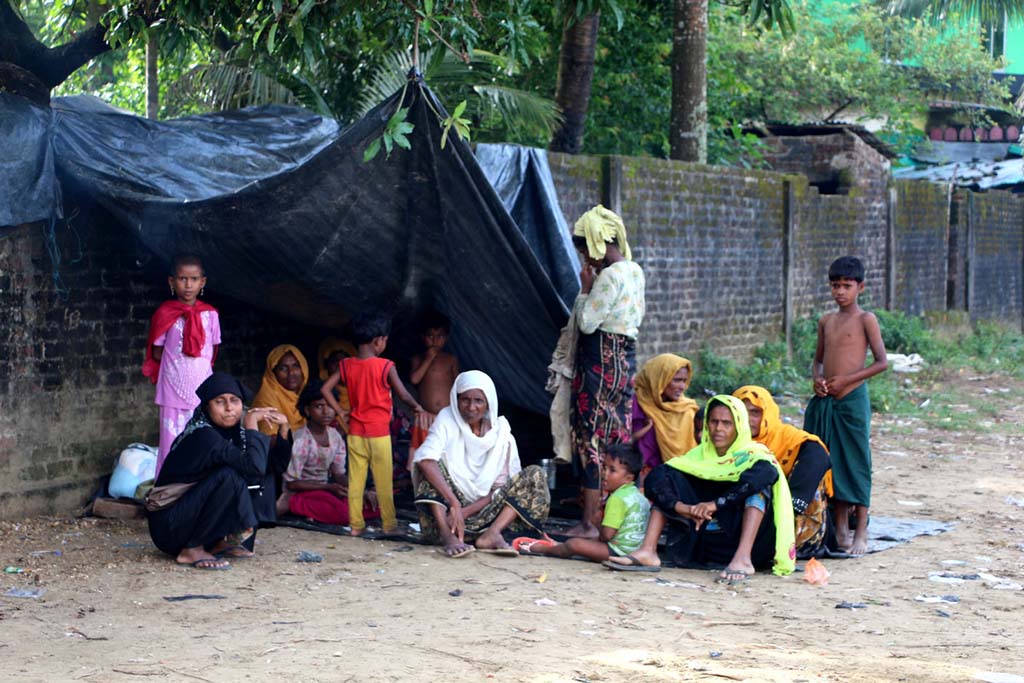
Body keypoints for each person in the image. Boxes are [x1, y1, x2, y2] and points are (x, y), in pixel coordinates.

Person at [606, 396, 795, 582]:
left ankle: (742, 559)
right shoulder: (698, 456)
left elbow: (767, 474)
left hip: (745, 542)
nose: (718, 429)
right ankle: (648, 551)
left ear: (739, 426)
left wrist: (716, 504)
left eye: (727, 423)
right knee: (667, 478)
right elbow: (655, 479)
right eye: (713, 421)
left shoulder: (754, 455)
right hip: (703, 541)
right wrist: (682, 508)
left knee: (758, 489)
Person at [145, 372, 288, 570]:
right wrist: (252, 425)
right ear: (207, 407)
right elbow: (253, 467)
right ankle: (191, 549)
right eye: (220, 402)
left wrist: (284, 429)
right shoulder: (203, 435)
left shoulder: (235, 434)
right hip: (170, 525)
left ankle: (231, 542)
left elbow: (271, 466)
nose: (229, 408)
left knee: (257, 476)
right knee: (229, 477)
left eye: (235, 401)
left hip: (191, 518)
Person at [567, 205, 646, 538]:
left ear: (596, 243)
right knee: (617, 436)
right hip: (624, 361)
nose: (586, 258)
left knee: (591, 440)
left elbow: (587, 323)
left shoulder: (609, 276)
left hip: (599, 363)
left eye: (585, 249)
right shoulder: (635, 270)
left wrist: (586, 288)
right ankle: (617, 515)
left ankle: (589, 522)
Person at [413, 371, 551, 557]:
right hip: (446, 519)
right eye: (465, 399)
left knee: (535, 474)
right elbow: (425, 460)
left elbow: (500, 489)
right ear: (456, 399)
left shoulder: (501, 434)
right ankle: (447, 537)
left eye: (478, 400)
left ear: (488, 403)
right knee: (431, 467)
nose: (471, 407)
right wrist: (454, 504)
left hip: (483, 517)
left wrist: (464, 512)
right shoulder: (447, 419)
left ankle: (492, 534)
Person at [803, 256, 888, 556]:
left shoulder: (866, 320)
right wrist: (818, 379)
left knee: (856, 461)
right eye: (835, 285)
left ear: (860, 287)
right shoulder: (826, 321)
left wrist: (847, 381)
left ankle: (861, 529)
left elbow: (881, 362)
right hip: (827, 401)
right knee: (830, 461)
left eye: (847, 286)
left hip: (852, 401)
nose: (840, 292)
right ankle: (839, 526)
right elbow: (818, 360)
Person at [321, 311, 425, 537]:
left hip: (356, 433)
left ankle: (356, 526)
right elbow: (404, 395)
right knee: (383, 481)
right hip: (379, 434)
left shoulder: (346, 365)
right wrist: (417, 407)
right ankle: (389, 524)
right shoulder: (386, 366)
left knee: (356, 480)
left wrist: (340, 411)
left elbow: (325, 389)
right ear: (379, 340)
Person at [143, 254, 221, 477]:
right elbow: (157, 351)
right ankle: (167, 495)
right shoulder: (165, 313)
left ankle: (198, 491)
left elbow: (212, 351)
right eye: (182, 279)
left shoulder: (211, 315)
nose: (188, 285)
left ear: (202, 282)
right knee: (171, 443)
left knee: (202, 439)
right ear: (172, 282)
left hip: (202, 387)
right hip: (173, 388)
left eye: (194, 279)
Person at [733, 385, 832, 557]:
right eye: (743, 411)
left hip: (788, 517)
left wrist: (792, 504)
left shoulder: (784, 435)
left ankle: (795, 541)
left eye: (755, 412)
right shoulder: (723, 436)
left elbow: (818, 455)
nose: (748, 419)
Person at [526, 444, 650, 566]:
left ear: (628, 478)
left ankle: (544, 549)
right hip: (637, 553)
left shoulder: (617, 498)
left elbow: (606, 536)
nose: (604, 474)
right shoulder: (639, 497)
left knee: (574, 544)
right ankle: (557, 545)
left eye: (612, 470)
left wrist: (596, 523)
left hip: (618, 552)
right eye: (604, 467)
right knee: (586, 543)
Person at [280, 382, 380, 525]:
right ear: (307, 410)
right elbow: (291, 484)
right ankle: (295, 506)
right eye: (319, 406)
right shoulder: (301, 440)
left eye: (331, 406)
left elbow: (338, 474)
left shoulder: (335, 436)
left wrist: (359, 491)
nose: (326, 412)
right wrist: (328, 487)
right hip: (302, 492)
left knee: (376, 504)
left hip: (326, 490)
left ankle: (315, 512)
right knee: (345, 514)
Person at [632, 355, 699, 475]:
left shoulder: (686, 409)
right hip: (639, 477)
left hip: (681, 475)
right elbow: (625, 441)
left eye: (684, 381)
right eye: (677, 380)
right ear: (659, 379)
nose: (682, 387)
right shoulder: (638, 405)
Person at [408, 311, 459, 468]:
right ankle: (422, 484)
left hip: (447, 416)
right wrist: (429, 358)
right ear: (423, 337)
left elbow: (458, 386)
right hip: (425, 417)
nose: (435, 341)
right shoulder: (418, 359)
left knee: (446, 454)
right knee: (424, 453)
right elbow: (414, 379)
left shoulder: (450, 360)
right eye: (430, 336)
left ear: (446, 338)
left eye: (440, 336)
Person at [252, 344, 309, 437]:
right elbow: (271, 439)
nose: (291, 372)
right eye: (283, 368)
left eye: (296, 366)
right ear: (273, 373)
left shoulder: (308, 395)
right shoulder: (266, 398)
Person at [317, 336, 357, 413]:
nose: (340, 366)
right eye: (335, 361)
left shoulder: (361, 391)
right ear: (326, 365)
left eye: (344, 362)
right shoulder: (318, 393)